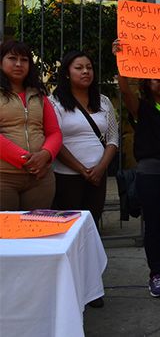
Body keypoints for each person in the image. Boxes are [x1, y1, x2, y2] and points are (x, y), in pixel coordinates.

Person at [113, 39, 160, 298]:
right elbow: (125, 92)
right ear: (147, 82)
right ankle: (156, 273)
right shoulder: (140, 107)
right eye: (156, 79)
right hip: (150, 174)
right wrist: (121, 61)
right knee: (153, 225)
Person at [50, 51, 118, 227]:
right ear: (66, 73)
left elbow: (113, 138)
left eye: (89, 68)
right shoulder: (54, 102)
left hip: (98, 176)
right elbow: (53, 139)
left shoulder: (103, 101)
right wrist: (81, 170)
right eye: (79, 68)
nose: (85, 71)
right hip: (67, 176)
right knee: (68, 227)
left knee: (91, 225)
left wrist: (101, 168)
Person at [0, 40, 62, 210]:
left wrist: (46, 155)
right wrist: (28, 161)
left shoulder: (38, 95)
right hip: (4, 178)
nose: (19, 64)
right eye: (12, 58)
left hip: (40, 178)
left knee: (38, 232)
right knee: (6, 234)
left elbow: (54, 132)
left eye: (24, 59)